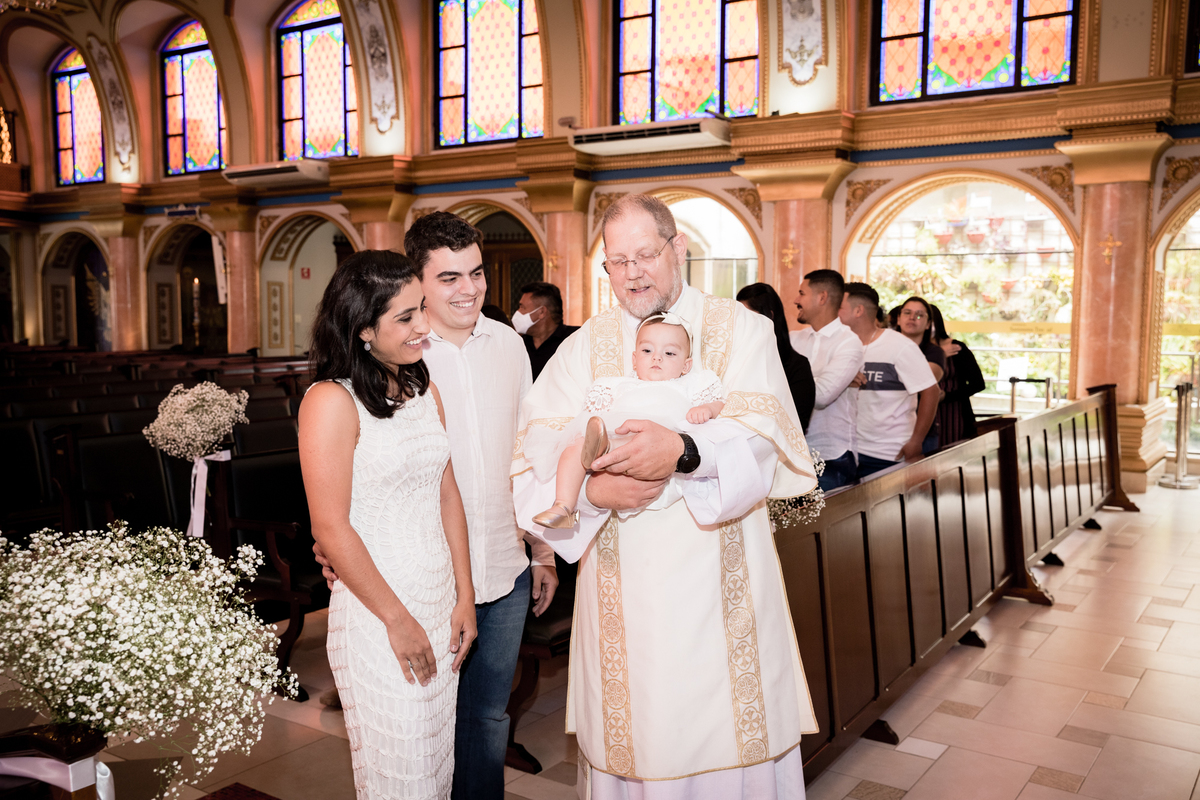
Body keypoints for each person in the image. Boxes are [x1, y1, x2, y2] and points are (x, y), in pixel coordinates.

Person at [512, 194, 817, 799]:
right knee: (636, 741)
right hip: (622, 596)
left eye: (645, 255)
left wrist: (683, 452)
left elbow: (765, 442)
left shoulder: (742, 331)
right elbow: (530, 455)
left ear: (678, 248)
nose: (631, 274)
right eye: (616, 261)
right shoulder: (581, 350)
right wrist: (594, 491)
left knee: (728, 739)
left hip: (722, 590)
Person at [315, 212, 559, 800]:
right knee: (417, 735)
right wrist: (339, 556)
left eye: (475, 273)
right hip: (417, 583)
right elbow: (346, 495)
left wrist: (543, 549)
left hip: (499, 564)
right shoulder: (399, 362)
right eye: (448, 278)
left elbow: (530, 450)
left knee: (483, 721)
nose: (469, 288)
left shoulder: (505, 346)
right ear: (415, 281)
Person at [299, 250, 478, 798]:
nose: (424, 325)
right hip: (380, 613)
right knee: (398, 775)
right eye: (406, 317)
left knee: (434, 769)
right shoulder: (331, 401)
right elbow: (332, 529)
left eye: (421, 308)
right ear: (362, 331)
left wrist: (465, 596)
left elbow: (447, 494)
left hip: (437, 600)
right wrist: (397, 621)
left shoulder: (422, 388)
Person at [529, 312, 725, 528]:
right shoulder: (618, 385)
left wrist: (708, 408)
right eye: (647, 350)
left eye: (669, 353)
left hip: (656, 450)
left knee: (609, 446)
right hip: (618, 437)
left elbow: (720, 404)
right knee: (574, 448)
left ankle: (603, 449)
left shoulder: (690, 385)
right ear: (634, 359)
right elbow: (598, 412)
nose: (656, 357)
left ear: (686, 366)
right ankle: (564, 506)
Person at [839, 283, 940, 479]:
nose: (834, 312)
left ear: (858, 310)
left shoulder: (899, 346)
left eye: (839, 307)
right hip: (848, 449)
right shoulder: (842, 344)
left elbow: (931, 391)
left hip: (887, 452)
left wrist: (917, 440)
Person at [790, 269, 865, 491]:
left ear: (822, 297)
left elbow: (821, 396)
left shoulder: (848, 342)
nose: (796, 300)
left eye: (802, 293)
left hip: (832, 455)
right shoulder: (794, 339)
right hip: (794, 452)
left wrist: (791, 379)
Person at [737, 282, 815, 430]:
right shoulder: (734, 360)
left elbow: (797, 423)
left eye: (747, 316)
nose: (740, 323)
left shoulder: (796, 366)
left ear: (769, 317)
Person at [893, 296, 946, 453]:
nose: (912, 318)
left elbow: (921, 383)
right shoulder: (885, 347)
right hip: (883, 432)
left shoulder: (935, 352)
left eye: (919, 315)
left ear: (928, 323)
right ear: (898, 319)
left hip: (921, 435)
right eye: (907, 313)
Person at [928, 304, 986, 446]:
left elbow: (978, 384)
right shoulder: (914, 349)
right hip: (922, 417)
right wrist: (940, 354)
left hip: (954, 414)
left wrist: (947, 396)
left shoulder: (957, 348)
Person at [514, 281, 579, 380]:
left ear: (541, 312)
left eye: (522, 307)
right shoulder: (519, 344)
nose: (518, 312)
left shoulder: (574, 340)